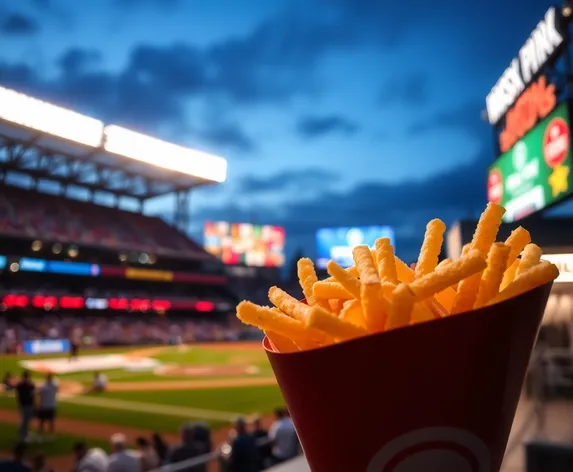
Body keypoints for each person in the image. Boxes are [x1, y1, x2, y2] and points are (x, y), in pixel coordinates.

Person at [15, 371, 36, 442]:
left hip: (25, 404)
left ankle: (25, 434)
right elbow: (32, 395)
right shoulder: (29, 385)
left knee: (26, 420)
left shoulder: (21, 385)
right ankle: (22, 437)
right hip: (26, 404)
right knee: (25, 420)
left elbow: (18, 394)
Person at [37, 373, 58, 441]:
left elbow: (39, 394)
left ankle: (41, 435)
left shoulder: (43, 386)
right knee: (51, 421)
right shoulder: (54, 385)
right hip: (51, 406)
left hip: (44, 406)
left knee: (42, 421)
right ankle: (50, 436)